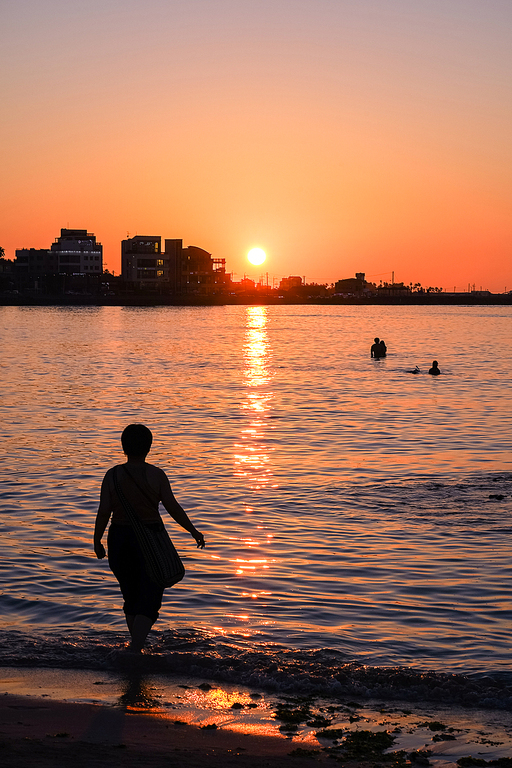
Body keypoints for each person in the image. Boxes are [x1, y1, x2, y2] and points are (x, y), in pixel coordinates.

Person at [94, 424, 205, 653]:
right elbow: (173, 507)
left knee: (130, 595)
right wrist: (192, 531)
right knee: (151, 598)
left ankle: (135, 648)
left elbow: (104, 511)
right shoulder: (156, 475)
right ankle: (135, 650)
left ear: (123, 446)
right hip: (150, 541)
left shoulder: (112, 475)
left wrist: (97, 541)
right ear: (149, 447)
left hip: (119, 539)